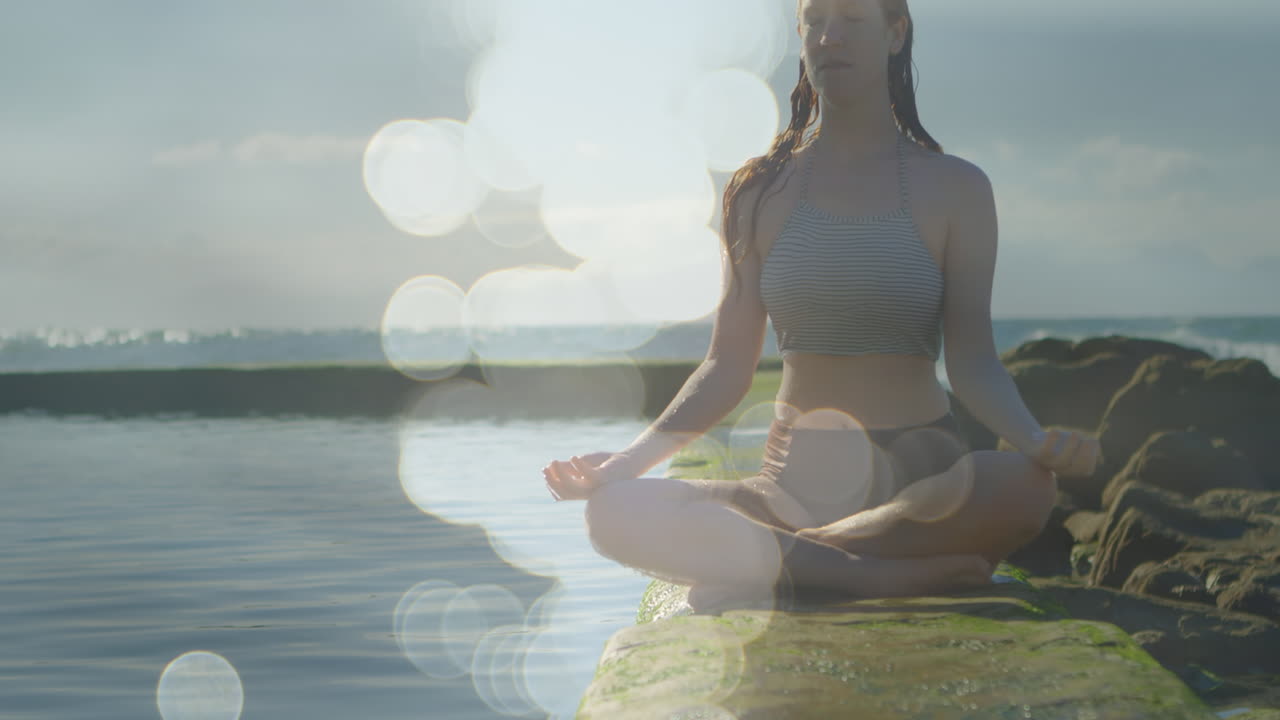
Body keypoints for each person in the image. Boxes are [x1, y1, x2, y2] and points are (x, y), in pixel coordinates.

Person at [542, 0, 1101, 613]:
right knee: (612, 511)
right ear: (801, 36)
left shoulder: (959, 189)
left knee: (1025, 485)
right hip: (788, 489)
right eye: (815, 20)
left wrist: (1034, 440)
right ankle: (869, 577)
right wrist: (623, 464)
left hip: (925, 490)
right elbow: (725, 368)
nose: (830, 36)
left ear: (895, 33)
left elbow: (974, 364)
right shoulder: (757, 192)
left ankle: (795, 559)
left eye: (854, 19)